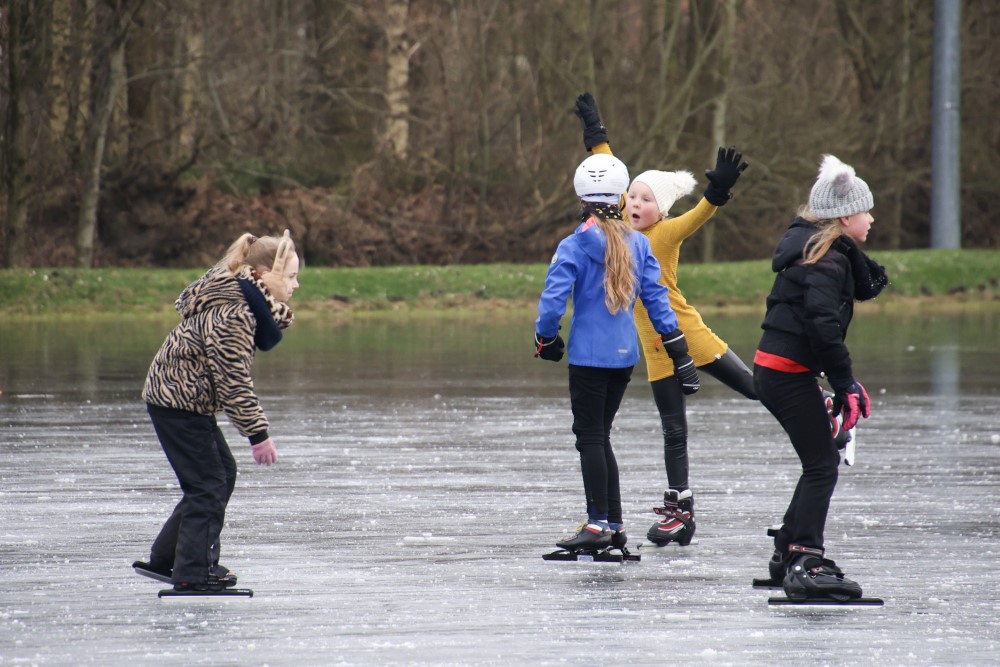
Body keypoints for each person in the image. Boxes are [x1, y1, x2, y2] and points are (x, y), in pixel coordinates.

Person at [573, 92, 756, 547]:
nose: (634, 203)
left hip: (685, 335)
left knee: (754, 387)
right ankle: (681, 511)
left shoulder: (665, 234)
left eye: (646, 199)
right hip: (654, 351)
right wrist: (596, 133)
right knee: (673, 429)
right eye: (631, 195)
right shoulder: (620, 230)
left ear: (661, 210)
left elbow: (697, 216)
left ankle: (823, 404)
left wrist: (716, 193)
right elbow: (608, 169)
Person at [534, 152, 699, 552]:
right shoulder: (639, 244)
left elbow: (553, 301)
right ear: (621, 195)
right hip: (625, 357)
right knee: (600, 436)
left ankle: (597, 526)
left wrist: (546, 338)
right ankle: (614, 524)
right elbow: (658, 302)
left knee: (590, 437)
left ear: (581, 196)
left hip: (590, 357)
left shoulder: (573, 245)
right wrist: (680, 352)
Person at [753, 155, 888, 601]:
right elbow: (821, 326)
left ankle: (786, 550)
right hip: (785, 374)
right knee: (822, 465)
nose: (871, 218)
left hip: (781, 371)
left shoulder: (818, 250)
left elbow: (814, 328)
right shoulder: (827, 260)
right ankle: (804, 555)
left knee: (820, 458)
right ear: (845, 216)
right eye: (866, 210)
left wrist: (835, 380)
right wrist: (845, 382)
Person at [135, 230, 299, 592]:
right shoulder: (235, 312)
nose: (296, 284)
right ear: (263, 274)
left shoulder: (244, 300)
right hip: (177, 401)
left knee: (220, 473)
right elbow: (232, 379)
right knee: (208, 485)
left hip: (181, 400)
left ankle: (170, 558)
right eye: (290, 276)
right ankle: (194, 571)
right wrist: (258, 434)